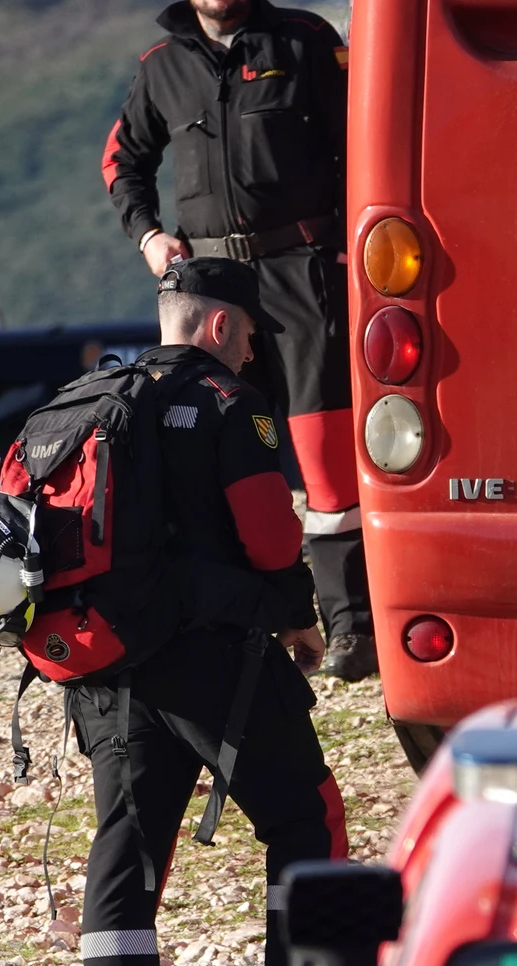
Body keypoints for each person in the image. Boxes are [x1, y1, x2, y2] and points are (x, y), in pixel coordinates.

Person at [42, 259, 347, 966]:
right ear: (218, 326)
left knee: (126, 857)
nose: (251, 353)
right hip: (216, 667)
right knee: (307, 820)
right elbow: (272, 539)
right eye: (248, 334)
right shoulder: (229, 405)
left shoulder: (99, 402)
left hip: (109, 669)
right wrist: (297, 614)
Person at [102, 0, 377, 681]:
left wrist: (350, 248)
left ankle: (352, 628)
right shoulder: (160, 67)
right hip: (214, 287)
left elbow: (365, 142)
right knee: (222, 455)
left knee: (325, 460)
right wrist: (148, 234)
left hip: (305, 279)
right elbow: (122, 162)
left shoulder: (305, 39)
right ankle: (251, 618)